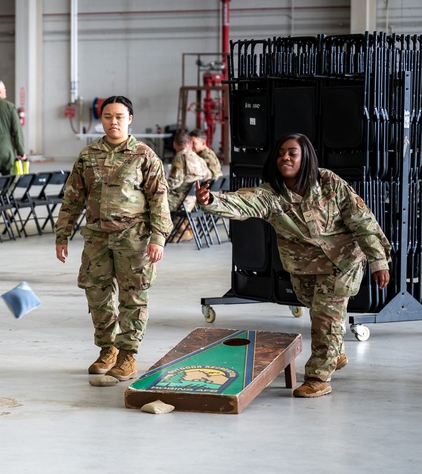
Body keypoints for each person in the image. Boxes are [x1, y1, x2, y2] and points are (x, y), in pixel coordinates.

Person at [197, 133, 391, 398]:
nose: (284, 157)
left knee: (325, 317)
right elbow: (243, 202)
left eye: (292, 153)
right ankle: (335, 352)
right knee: (319, 311)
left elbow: (362, 221)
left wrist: (378, 260)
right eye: (280, 153)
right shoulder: (271, 194)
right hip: (303, 268)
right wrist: (212, 201)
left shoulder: (329, 183)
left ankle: (318, 378)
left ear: (306, 157)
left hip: (342, 262)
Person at [54, 95, 172, 381]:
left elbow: (159, 198)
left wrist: (158, 237)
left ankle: (128, 356)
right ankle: (107, 349)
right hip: (96, 237)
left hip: (134, 237)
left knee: (133, 297)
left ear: (130, 119)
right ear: (102, 120)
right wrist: (62, 234)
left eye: (119, 116)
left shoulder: (144, 155)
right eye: (108, 116)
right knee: (97, 294)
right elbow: (73, 196)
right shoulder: (88, 155)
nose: (113, 122)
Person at [167, 129, 212, 213]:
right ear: (190, 144)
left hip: (180, 202)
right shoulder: (199, 159)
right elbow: (208, 176)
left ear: (174, 144)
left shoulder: (180, 156)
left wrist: (159, 185)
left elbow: (174, 182)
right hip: (195, 201)